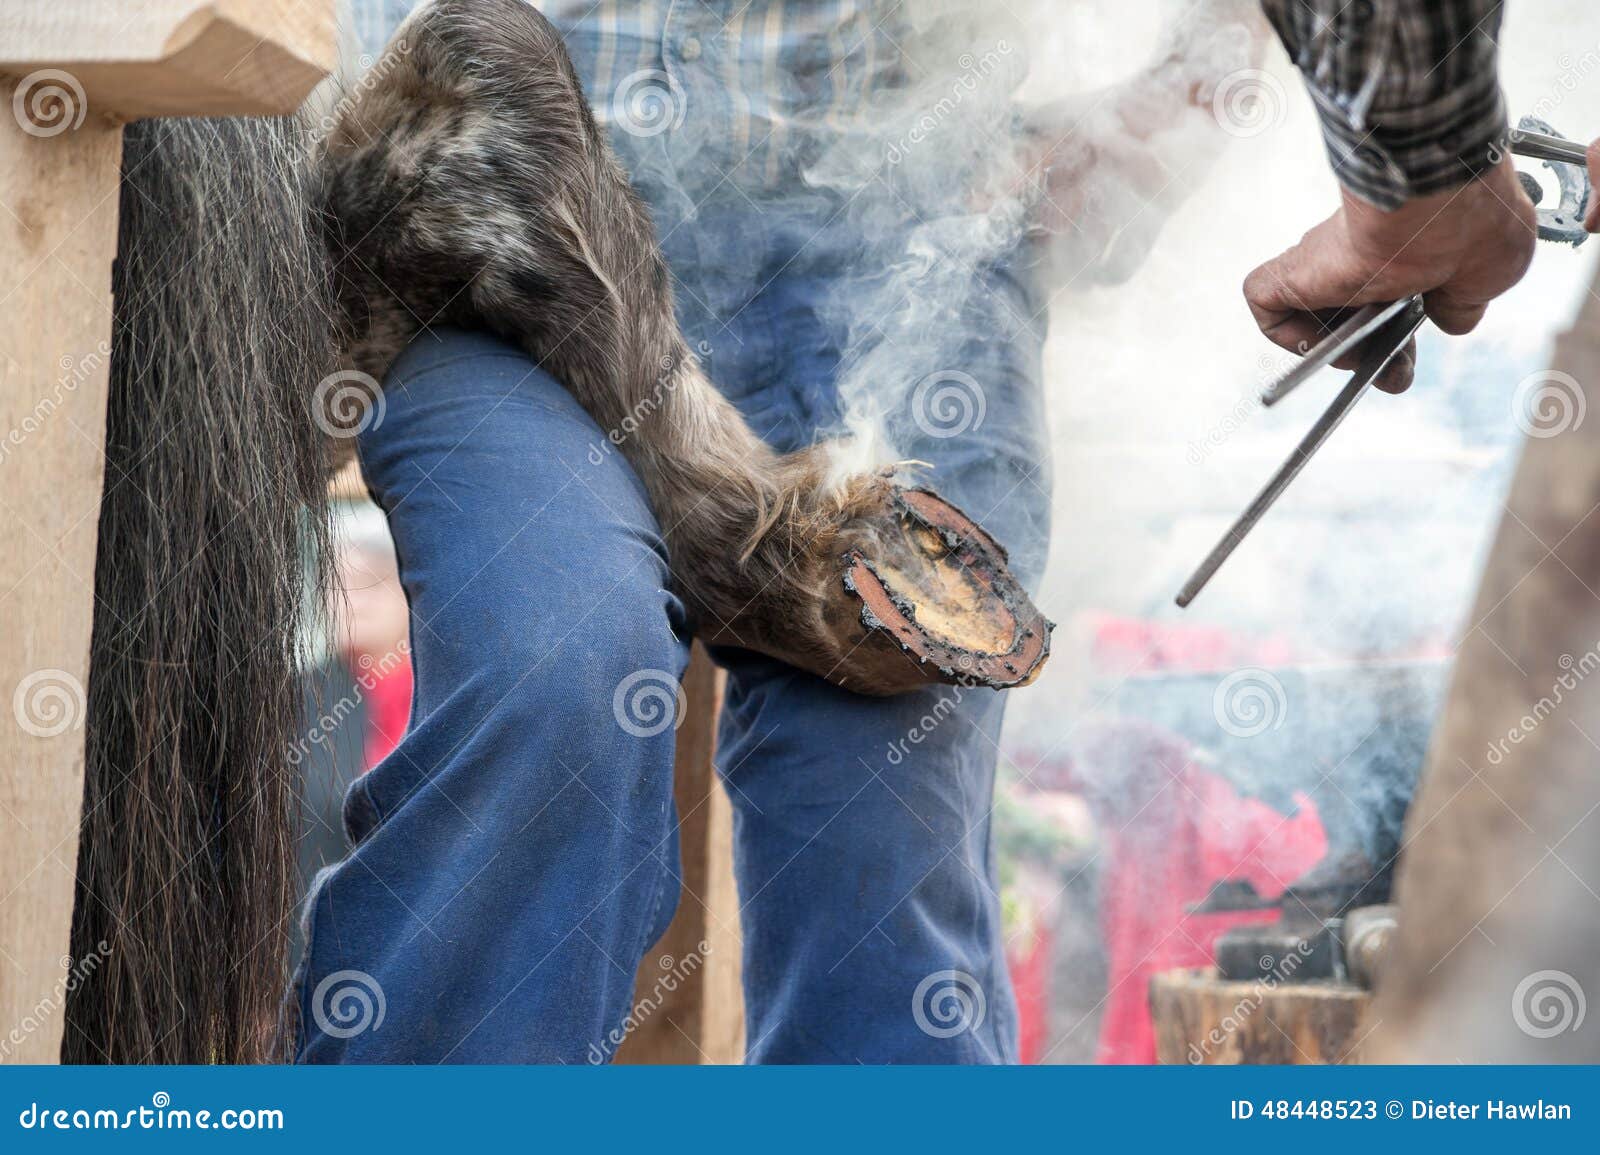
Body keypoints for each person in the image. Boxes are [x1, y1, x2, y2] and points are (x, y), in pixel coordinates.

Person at [293, 0, 1575, 1064]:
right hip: (500, 209)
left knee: (880, 783)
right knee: (557, 669)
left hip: (911, 227)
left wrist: (1223, 100)